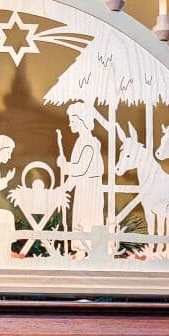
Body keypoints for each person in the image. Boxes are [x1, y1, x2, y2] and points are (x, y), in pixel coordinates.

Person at [58, 102, 104, 256]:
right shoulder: (80, 142)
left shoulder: (90, 143)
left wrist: (65, 165)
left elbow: (80, 169)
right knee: (80, 220)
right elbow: (76, 175)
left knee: (88, 220)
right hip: (83, 189)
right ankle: (80, 250)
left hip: (90, 191)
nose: (70, 123)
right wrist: (64, 188)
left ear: (82, 120)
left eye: (72, 120)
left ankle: (91, 250)